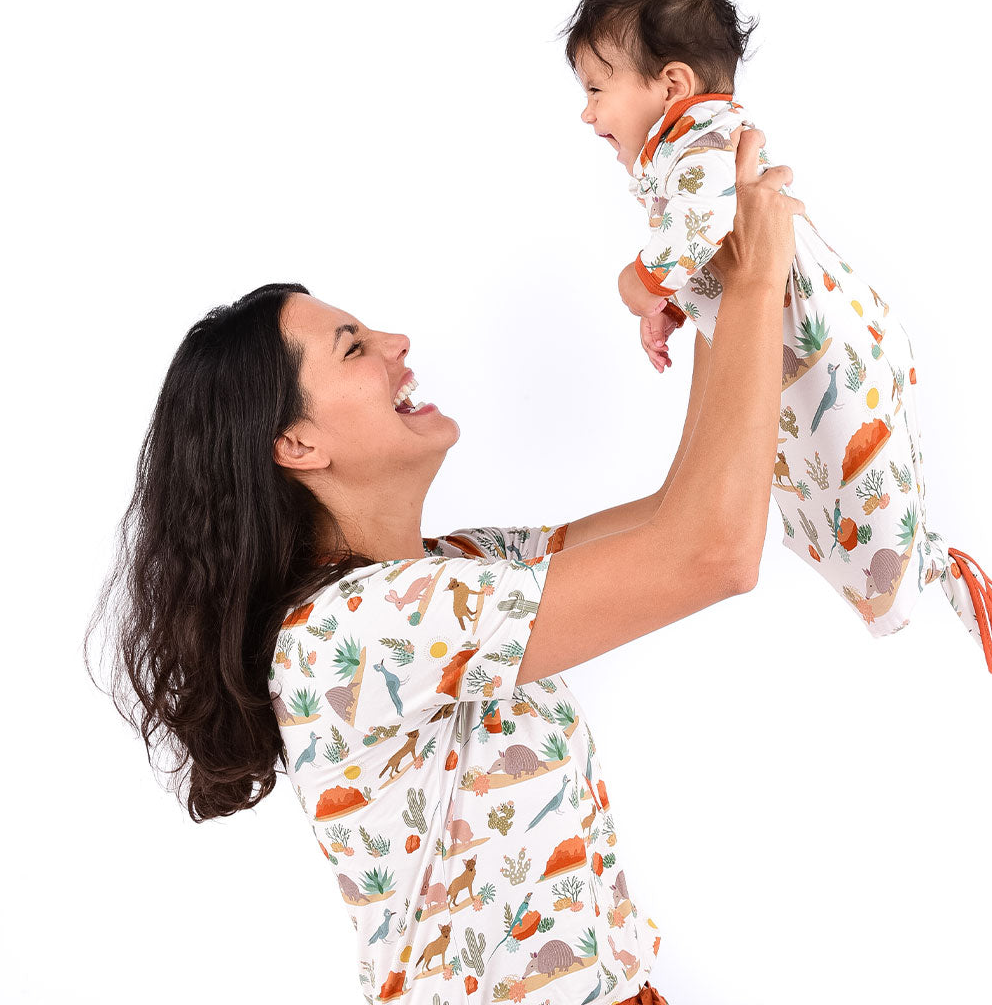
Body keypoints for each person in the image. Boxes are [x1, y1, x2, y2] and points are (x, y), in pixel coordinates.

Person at [86, 127, 800, 1004]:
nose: (396, 341)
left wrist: (707, 282)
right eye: (353, 347)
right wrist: (758, 280)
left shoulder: (458, 569)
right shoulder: (353, 631)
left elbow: (684, 507)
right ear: (295, 443)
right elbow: (712, 553)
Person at [562, 0, 992, 672]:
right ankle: (933, 572)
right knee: (810, 490)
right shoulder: (694, 148)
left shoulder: (706, 139)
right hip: (815, 344)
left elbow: (702, 220)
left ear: (672, 84)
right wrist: (678, 303)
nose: (587, 113)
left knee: (853, 492)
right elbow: (713, 242)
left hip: (825, 348)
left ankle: (943, 575)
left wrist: (641, 282)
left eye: (596, 88)